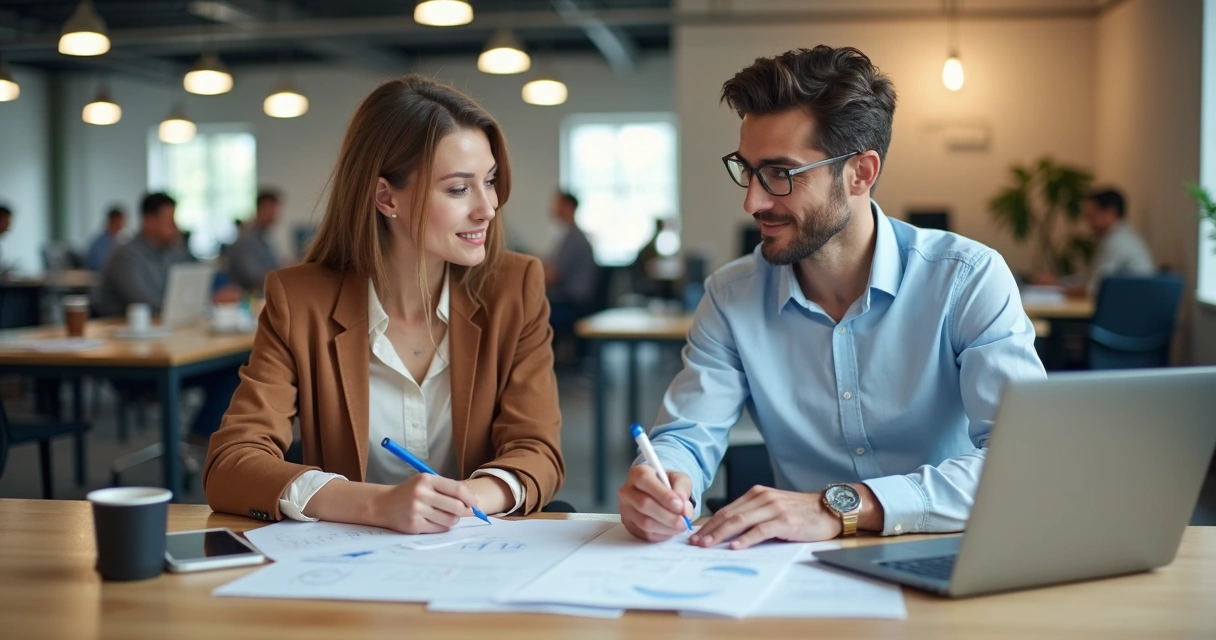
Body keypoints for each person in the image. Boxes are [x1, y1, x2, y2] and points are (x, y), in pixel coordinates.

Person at [617, 46, 1046, 548]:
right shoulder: (731, 297)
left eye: (781, 174)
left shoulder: (966, 278)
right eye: (747, 169)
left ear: (861, 173)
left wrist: (837, 505)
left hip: (947, 546)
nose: (752, 201)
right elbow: (688, 435)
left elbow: (1023, 460)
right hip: (800, 566)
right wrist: (665, 480)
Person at [203, 75, 565, 532]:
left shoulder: (515, 288)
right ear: (385, 196)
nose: (487, 207)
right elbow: (231, 463)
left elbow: (538, 451)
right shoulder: (300, 301)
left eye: (490, 181)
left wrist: (458, 500)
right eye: (458, 189)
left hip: (475, 549)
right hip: (348, 562)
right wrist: (375, 505)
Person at [91, 192, 241, 443]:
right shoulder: (126, 255)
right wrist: (208, 301)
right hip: (133, 359)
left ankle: (201, 432)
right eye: (169, 221)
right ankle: (201, 435)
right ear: (148, 221)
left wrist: (209, 294)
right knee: (229, 367)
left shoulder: (171, 250)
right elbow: (149, 304)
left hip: (167, 345)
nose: (174, 228)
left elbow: (196, 281)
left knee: (234, 365)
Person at [543, 191, 601, 335]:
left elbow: (553, 276)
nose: (552, 208)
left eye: (557, 204)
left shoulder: (574, 239)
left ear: (568, 207)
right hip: (569, 301)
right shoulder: (569, 236)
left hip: (572, 304)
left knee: (530, 314)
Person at [226, 189, 282, 293]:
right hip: (248, 299)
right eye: (272, 210)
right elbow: (253, 278)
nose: (275, 215)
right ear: (261, 209)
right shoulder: (246, 240)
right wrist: (284, 274)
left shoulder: (263, 238)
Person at [86, 207, 126, 271]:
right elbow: (102, 265)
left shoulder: (121, 241)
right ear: (112, 221)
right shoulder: (98, 243)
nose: (122, 224)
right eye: (119, 221)